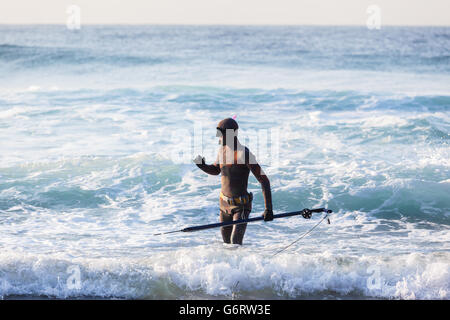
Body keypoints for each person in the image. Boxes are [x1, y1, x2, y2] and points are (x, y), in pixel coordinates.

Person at [194, 118, 273, 245]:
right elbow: (216, 170)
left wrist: (268, 209)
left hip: (240, 206)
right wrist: (203, 166)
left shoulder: (244, 154)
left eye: (220, 133)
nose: (217, 137)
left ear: (231, 133)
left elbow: (264, 180)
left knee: (235, 243)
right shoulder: (222, 150)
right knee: (226, 244)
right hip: (223, 205)